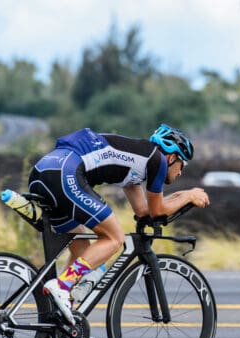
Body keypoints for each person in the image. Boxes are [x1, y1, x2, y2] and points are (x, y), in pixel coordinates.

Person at [28, 123, 210, 325]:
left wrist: (183, 196)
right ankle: (62, 285)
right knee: (114, 238)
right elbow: (158, 211)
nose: (180, 173)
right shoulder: (157, 159)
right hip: (66, 172)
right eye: (182, 165)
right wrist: (189, 195)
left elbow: (144, 211)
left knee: (81, 248)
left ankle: (62, 315)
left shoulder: (134, 169)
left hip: (44, 170)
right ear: (172, 157)